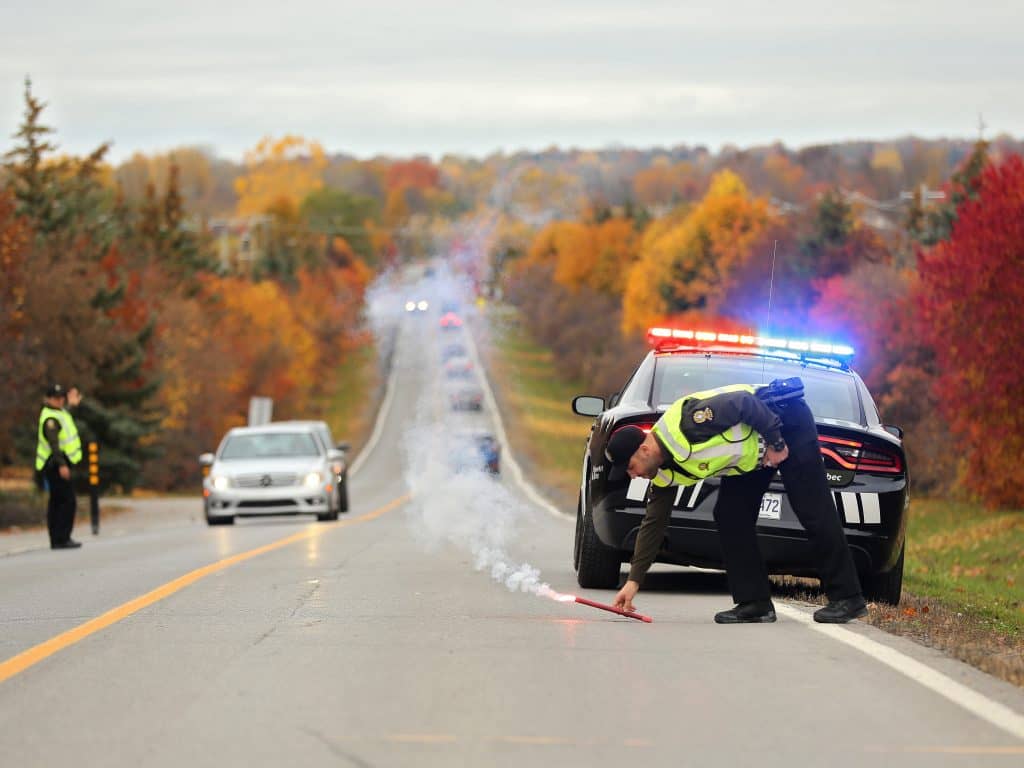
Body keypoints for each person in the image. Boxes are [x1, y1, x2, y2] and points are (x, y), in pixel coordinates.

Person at [609, 379, 867, 624]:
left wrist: (777, 442)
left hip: (784, 421)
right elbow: (653, 524)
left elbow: (744, 402)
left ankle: (848, 597)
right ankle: (754, 604)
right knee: (730, 514)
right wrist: (634, 581)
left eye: (631, 467)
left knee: (811, 507)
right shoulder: (662, 471)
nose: (633, 476)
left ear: (644, 450)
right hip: (754, 453)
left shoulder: (689, 423)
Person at [35, 384, 83, 549]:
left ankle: (59, 538)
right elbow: (54, 444)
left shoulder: (59, 413)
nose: (60, 400)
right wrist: (62, 465)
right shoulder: (50, 419)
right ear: (48, 399)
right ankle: (61, 538)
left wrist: (72, 405)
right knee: (66, 501)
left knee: (58, 501)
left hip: (59, 462)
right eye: (56, 398)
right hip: (55, 463)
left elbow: (66, 420)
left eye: (62, 397)